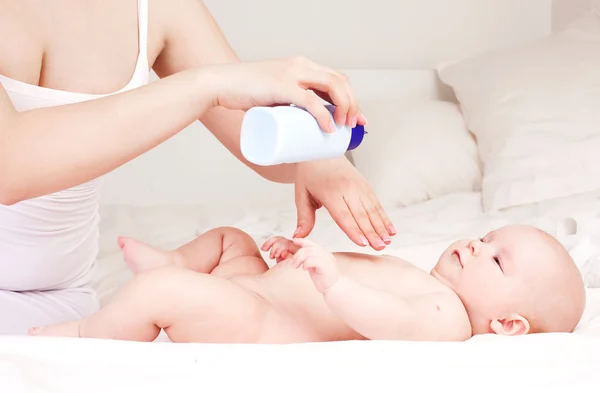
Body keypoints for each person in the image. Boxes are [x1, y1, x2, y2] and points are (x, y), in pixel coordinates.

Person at [0, 0, 396, 335]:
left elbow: (254, 136)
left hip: (70, 299)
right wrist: (206, 85)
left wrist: (318, 154)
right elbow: (10, 168)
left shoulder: (160, 8)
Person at [29, 224, 587, 342]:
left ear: (508, 323)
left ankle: (82, 335)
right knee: (232, 241)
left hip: (261, 322)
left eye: (495, 261)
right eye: (486, 236)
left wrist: (333, 282)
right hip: (262, 288)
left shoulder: (449, 320)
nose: (475, 245)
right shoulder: (425, 278)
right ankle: (176, 260)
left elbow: (386, 323)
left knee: (159, 297)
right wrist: (299, 257)